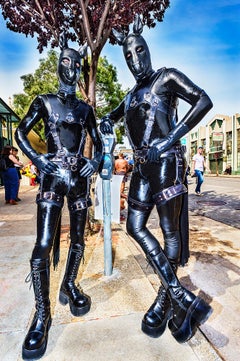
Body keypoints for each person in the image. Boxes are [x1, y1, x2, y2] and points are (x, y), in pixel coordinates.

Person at [100, 15, 213, 343]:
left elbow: (203, 100)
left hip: (166, 162)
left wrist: (168, 140)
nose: (135, 60)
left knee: (169, 231)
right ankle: (178, 294)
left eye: (138, 51)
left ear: (147, 48)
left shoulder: (167, 77)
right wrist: (106, 123)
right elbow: (112, 116)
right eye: (128, 56)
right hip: (141, 167)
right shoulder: (131, 94)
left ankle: (165, 297)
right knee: (134, 225)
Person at [15, 37, 103, 360]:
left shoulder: (85, 108)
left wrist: (95, 162)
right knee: (43, 243)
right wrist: (38, 161)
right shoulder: (44, 102)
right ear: (58, 65)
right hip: (52, 179)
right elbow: (20, 133)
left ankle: (69, 285)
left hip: (79, 180)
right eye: (66, 61)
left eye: (76, 62)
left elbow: (100, 143)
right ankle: (43, 314)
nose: (72, 66)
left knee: (78, 239)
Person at [114, 152, 129, 220]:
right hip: (122, 173)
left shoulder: (115, 161)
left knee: (117, 187)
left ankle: (119, 194)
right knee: (121, 189)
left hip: (117, 173)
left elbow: (113, 169)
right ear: (122, 156)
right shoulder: (124, 161)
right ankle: (121, 195)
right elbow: (127, 168)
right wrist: (125, 172)